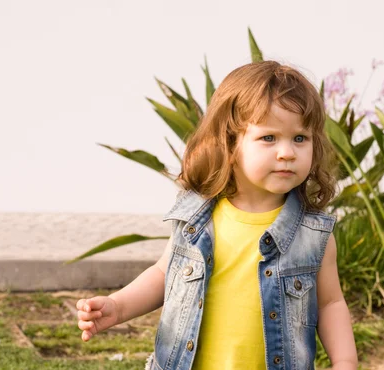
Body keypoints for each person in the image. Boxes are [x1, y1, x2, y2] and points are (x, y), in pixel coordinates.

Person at [76, 61, 358, 369]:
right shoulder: (196, 218)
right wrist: (118, 306)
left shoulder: (312, 235)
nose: (287, 152)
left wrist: (344, 360)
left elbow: (331, 303)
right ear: (230, 142)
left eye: (300, 138)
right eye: (269, 138)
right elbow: (163, 274)